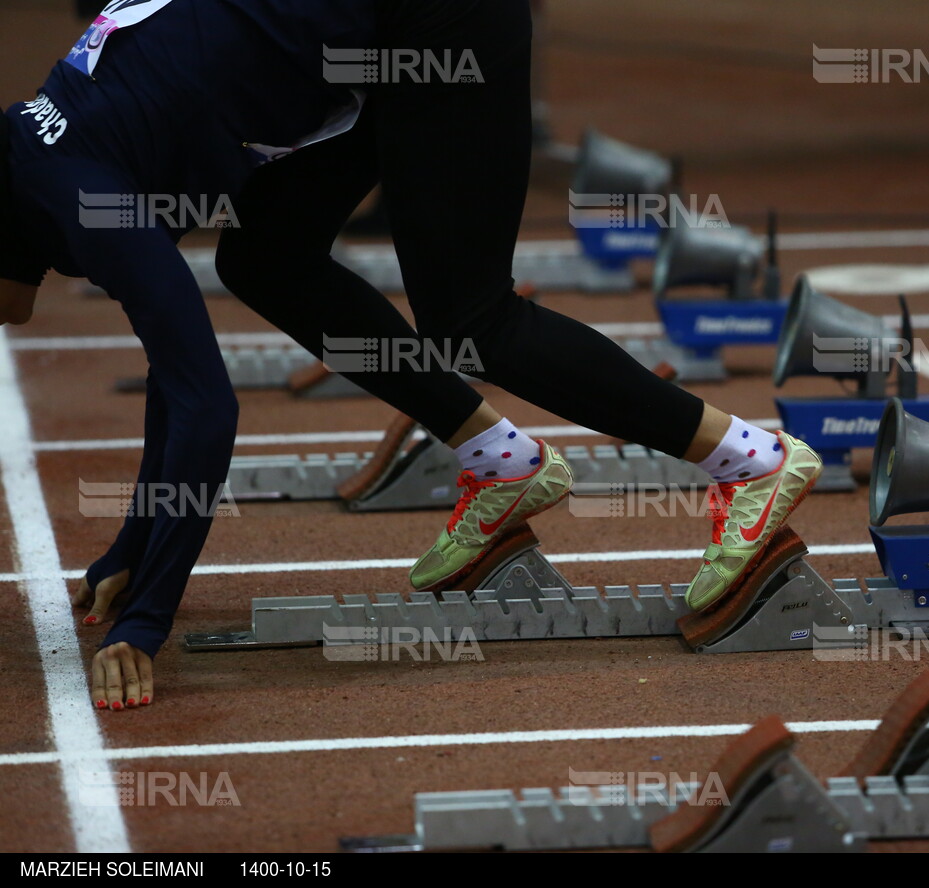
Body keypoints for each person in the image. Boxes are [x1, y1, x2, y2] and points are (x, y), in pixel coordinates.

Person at [0, 0, 822, 713]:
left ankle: (747, 459)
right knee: (265, 256)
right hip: (369, 37)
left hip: (440, 18)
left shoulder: (85, 198)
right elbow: (173, 365)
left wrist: (148, 619)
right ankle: (500, 458)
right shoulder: (38, 147)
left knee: (473, 317)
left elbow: (207, 405)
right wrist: (135, 548)